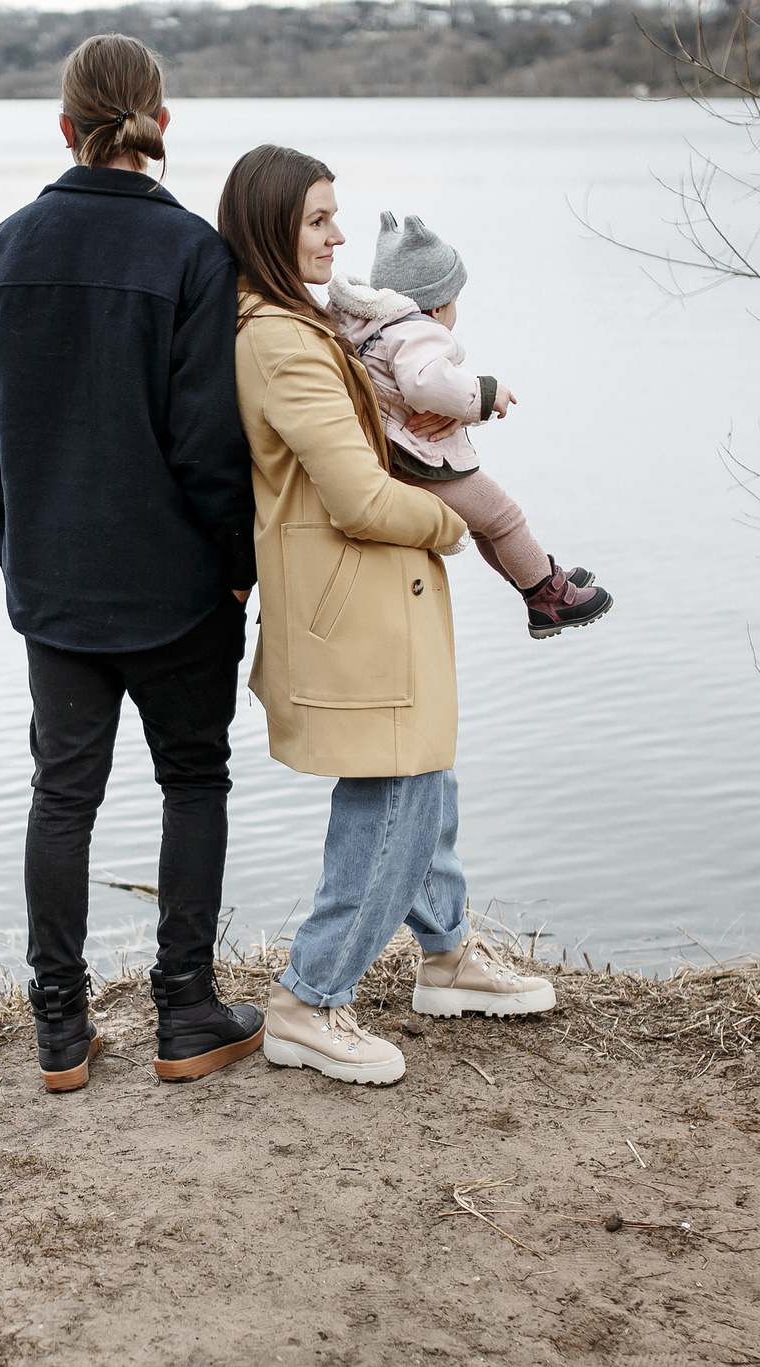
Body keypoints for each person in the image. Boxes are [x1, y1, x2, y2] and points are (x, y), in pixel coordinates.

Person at [0, 34, 266, 1094]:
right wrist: (238, 565)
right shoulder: (192, 252)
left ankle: (59, 1031)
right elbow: (208, 443)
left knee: (62, 797)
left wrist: (19, 550)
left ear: (64, 127)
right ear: (160, 124)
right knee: (195, 779)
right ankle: (185, 1012)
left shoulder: (1, 249)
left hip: (57, 589)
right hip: (180, 587)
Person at [216, 144, 557, 1088]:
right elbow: (361, 497)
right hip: (352, 599)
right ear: (271, 227)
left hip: (368, 598)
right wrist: (457, 524)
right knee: (393, 795)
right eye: (317, 220)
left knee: (424, 775)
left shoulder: (303, 321)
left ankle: (446, 957)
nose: (337, 238)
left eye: (337, 216)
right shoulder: (282, 341)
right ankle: (309, 998)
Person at [325, 214, 613, 638]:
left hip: (398, 454)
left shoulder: (372, 329)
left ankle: (535, 577)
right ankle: (547, 598)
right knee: (505, 517)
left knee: (487, 526)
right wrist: (485, 393)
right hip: (420, 462)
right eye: (455, 300)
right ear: (437, 305)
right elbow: (426, 383)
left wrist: (457, 409)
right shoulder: (416, 330)